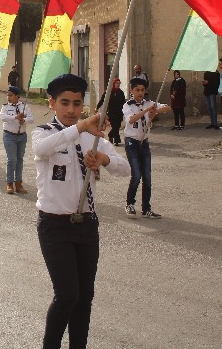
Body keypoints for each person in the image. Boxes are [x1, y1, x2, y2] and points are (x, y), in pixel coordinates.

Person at [32, 73, 131, 349]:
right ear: (52, 103)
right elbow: (42, 149)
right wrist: (82, 126)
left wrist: (103, 158)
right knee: (67, 296)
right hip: (55, 226)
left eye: (77, 103)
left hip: (86, 225)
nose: (71, 109)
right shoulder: (44, 133)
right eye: (65, 102)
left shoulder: (93, 139)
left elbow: (126, 169)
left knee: (85, 295)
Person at [122, 78, 172, 219]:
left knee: (147, 177)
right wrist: (147, 111)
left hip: (144, 142)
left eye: (142, 90)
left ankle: (146, 209)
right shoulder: (128, 106)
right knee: (136, 175)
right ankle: (130, 204)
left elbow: (169, 107)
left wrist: (155, 111)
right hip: (132, 142)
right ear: (132, 90)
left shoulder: (149, 103)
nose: (140, 93)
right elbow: (131, 120)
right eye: (137, 90)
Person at [0, 85, 34, 194]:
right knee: (12, 160)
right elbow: (3, 117)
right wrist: (15, 117)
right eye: (7, 95)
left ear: (17, 96)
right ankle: (9, 183)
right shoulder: (5, 107)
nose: (8, 97)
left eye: (10, 95)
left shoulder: (24, 106)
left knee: (19, 159)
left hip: (22, 136)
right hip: (9, 136)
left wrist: (24, 120)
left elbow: (31, 119)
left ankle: (18, 183)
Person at [96, 79, 125, 145]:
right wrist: (97, 108)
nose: (118, 84)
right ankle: (116, 140)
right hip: (111, 112)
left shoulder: (121, 92)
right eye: (116, 83)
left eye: (119, 83)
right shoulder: (109, 92)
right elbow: (102, 100)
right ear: (114, 84)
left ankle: (110, 135)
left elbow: (124, 103)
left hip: (119, 112)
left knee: (117, 126)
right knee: (114, 126)